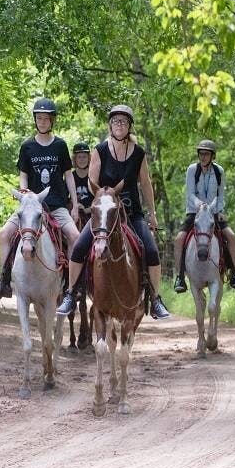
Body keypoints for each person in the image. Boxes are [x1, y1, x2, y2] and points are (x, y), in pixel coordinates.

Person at [57, 104, 171, 320]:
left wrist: (153, 213)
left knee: (152, 251)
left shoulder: (138, 153)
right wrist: (101, 203)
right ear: (110, 125)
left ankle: (155, 299)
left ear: (129, 126)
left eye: (124, 122)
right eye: (116, 121)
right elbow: (93, 184)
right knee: (79, 248)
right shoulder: (99, 150)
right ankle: (71, 293)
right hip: (105, 213)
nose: (120, 124)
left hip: (132, 212)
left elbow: (145, 184)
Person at [0, 98, 81, 299]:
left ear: (52, 121)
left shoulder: (60, 145)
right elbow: (23, 175)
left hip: (56, 205)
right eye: (39, 118)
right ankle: (4, 280)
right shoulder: (27, 146)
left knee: (75, 237)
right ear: (35, 120)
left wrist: (73, 205)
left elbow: (69, 175)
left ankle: (74, 286)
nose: (42, 122)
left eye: (46, 119)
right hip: (31, 207)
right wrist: (24, 196)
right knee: (4, 234)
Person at [173, 139, 235, 292]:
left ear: (213, 156)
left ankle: (234, 273)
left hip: (213, 213)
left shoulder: (219, 171)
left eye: (206, 154)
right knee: (179, 239)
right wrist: (199, 204)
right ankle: (180, 277)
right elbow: (190, 193)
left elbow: (220, 195)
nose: (203, 156)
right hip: (195, 212)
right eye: (201, 153)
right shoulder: (192, 169)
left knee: (231, 237)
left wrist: (218, 211)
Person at [71, 141, 94, 227]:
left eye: (84, 157)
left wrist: (87, 210)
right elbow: (65, 197)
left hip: (92, 214)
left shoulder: (93, 176)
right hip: (75, 214)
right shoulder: (71, 176)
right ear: (74, 159)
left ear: (89, 158)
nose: (82, 160)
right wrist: (75, 205)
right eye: (79, 157)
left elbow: (99, 198)